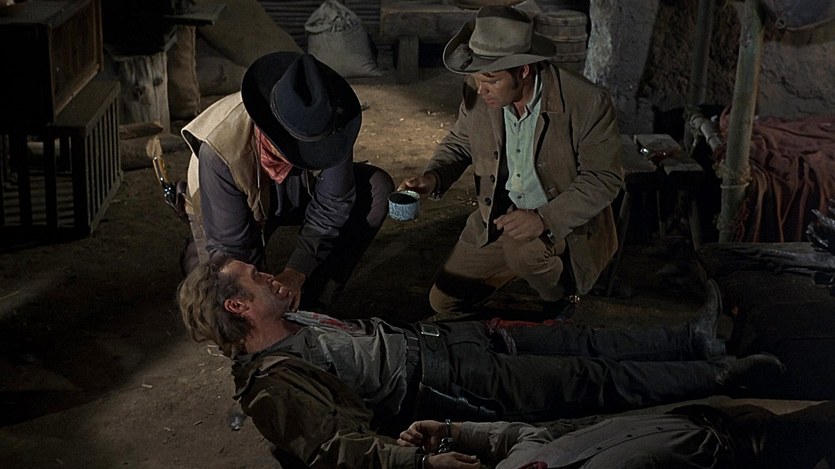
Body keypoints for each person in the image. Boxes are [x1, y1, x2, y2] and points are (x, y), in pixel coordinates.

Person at [177, 255, 786, 467]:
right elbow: (339, 449)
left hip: (448, 341)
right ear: (239, 306)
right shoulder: (273, 386)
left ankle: (694, 339)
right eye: (256, 278)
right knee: (590, 379)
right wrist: (421, 463)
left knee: (580, 341)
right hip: (454, 381)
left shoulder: (290, 320)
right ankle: (718, 376)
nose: (271, 276)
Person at [398, 6, 624, 318]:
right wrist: (433, 177)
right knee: (443, 302)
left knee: (523, 252)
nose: (481, 89)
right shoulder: (479, 90)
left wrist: (544, 218)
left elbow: (604, 178)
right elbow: (461, 141)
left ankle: (560, 296)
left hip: (561, 222)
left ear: (523, 70)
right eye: (477, 78)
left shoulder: (587, 101)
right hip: (499, 216)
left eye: (491, 80)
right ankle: (514, 277)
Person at [180, 51, 394, 311]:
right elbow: (233, 248)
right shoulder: (219, 151)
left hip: (297, 190)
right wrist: (262, 301)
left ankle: (314, 302)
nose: (314, 153)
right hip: (232, 205)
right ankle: (196, 254)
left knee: (376, 189)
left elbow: (334, 202)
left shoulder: (328, 122)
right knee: (220, 290)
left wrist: (296, 272)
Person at [397, 401, 835, 469]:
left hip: (695, 417)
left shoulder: (517, 465)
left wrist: (453, 430)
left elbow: (526, 436)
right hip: (735, 452)